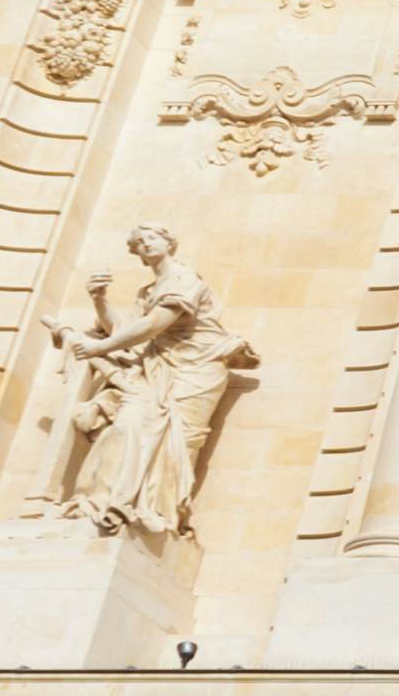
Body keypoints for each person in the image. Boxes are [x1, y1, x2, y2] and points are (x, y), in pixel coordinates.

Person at [40, 226, 252, 540]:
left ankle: (161, 509)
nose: (145, 244)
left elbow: (154, 325)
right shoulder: (147, 292)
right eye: (138, 242)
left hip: (196, 370)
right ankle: (115, 503)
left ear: (169, 243)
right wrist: (99, 301)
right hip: (157, 368)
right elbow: (126, 328)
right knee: (129, 424)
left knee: (179, 438)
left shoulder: (185, 279)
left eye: (151, 238)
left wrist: (99, 348)